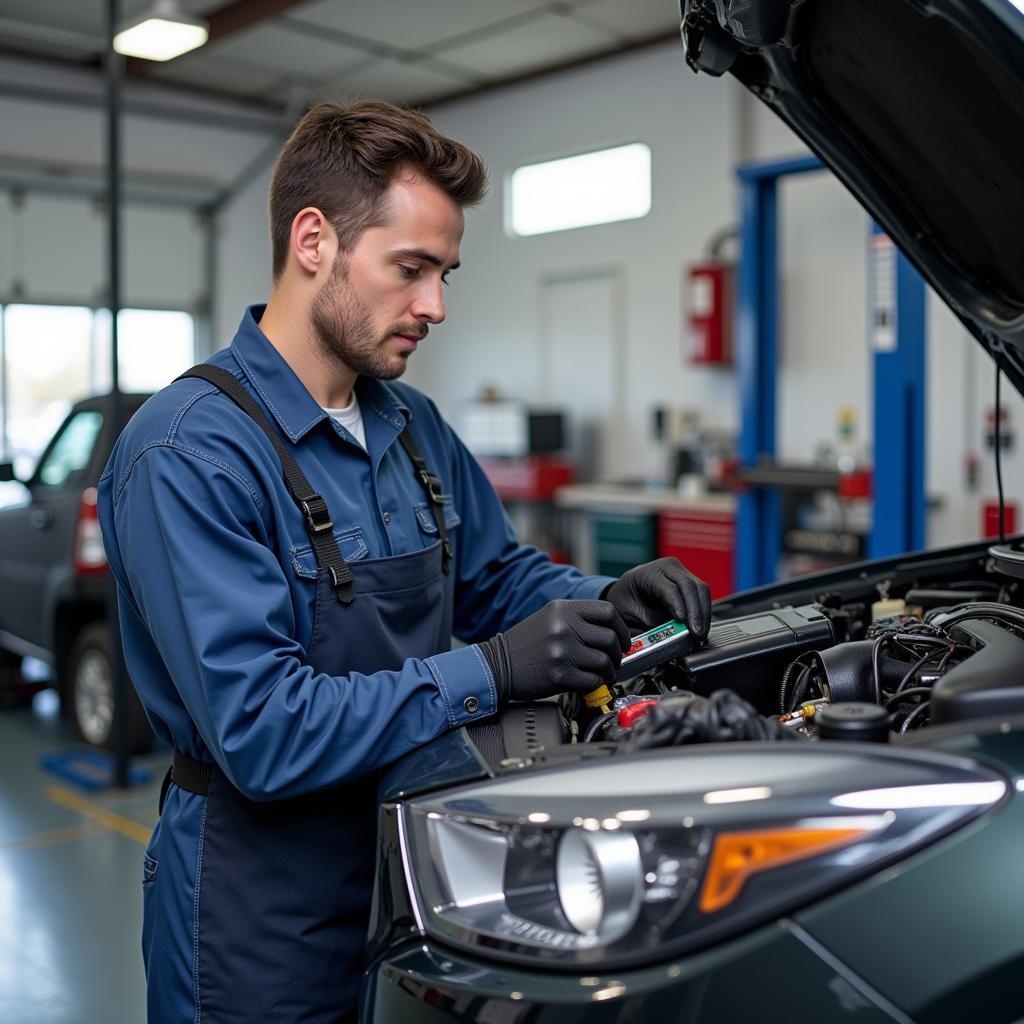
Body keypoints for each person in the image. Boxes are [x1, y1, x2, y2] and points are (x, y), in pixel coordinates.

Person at [98, 99, 712, 1024]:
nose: (434, 306)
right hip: (259, 911)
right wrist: (492, 670)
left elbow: (495, 578)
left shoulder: (409, 423)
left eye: (445, 273)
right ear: (314, 242)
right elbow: (262, 729)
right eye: (411, 269)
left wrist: (610, 597)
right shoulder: (189, 452)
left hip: (417, 873)